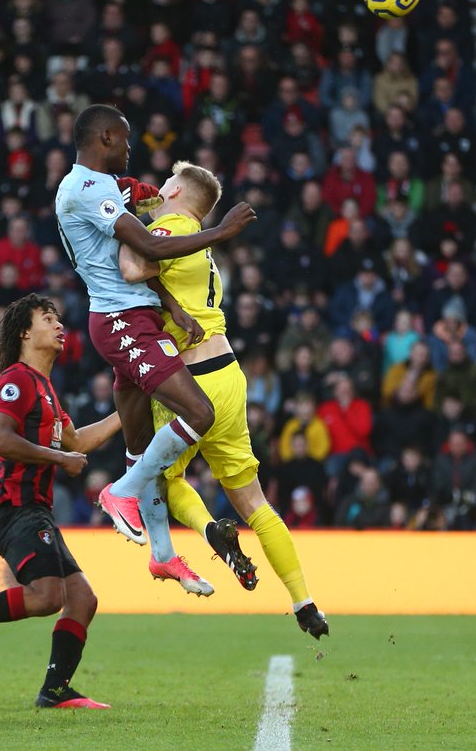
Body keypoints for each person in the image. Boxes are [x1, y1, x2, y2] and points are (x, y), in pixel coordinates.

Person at [119, 160, 328, 638]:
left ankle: (210, 529)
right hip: (229, 374)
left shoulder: (170, 230)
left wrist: (120, 228)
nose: (158, 188)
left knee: (162, 479)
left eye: (165, 183)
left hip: (186, 379)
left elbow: (132, 267)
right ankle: (304, 602)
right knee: (254, 501)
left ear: (176, 192)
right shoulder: (201, 247)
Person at [55, 104, 255, 584]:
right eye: (125, 139)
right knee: (200, 413)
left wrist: (171, 304)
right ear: (105, 138)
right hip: (124, 321)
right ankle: (120, 491)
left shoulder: (106, 186)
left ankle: (162, 553)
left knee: (139, 443)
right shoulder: (85, 189)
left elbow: (140, 236)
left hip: (134, 315)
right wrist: (223, 231)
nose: (131, 148)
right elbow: (149, 249)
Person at [0, 294, 120, 709]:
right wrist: (59, 458)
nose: (59, 325)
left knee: (82, 599)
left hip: (35, 509)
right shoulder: (15, 380)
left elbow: (77, 441)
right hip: (12, 507)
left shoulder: (46, 389)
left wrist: (128, 408)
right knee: (47, 596)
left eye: (58, 319)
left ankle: (55, 691)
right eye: (48, 319)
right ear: (24, 333)